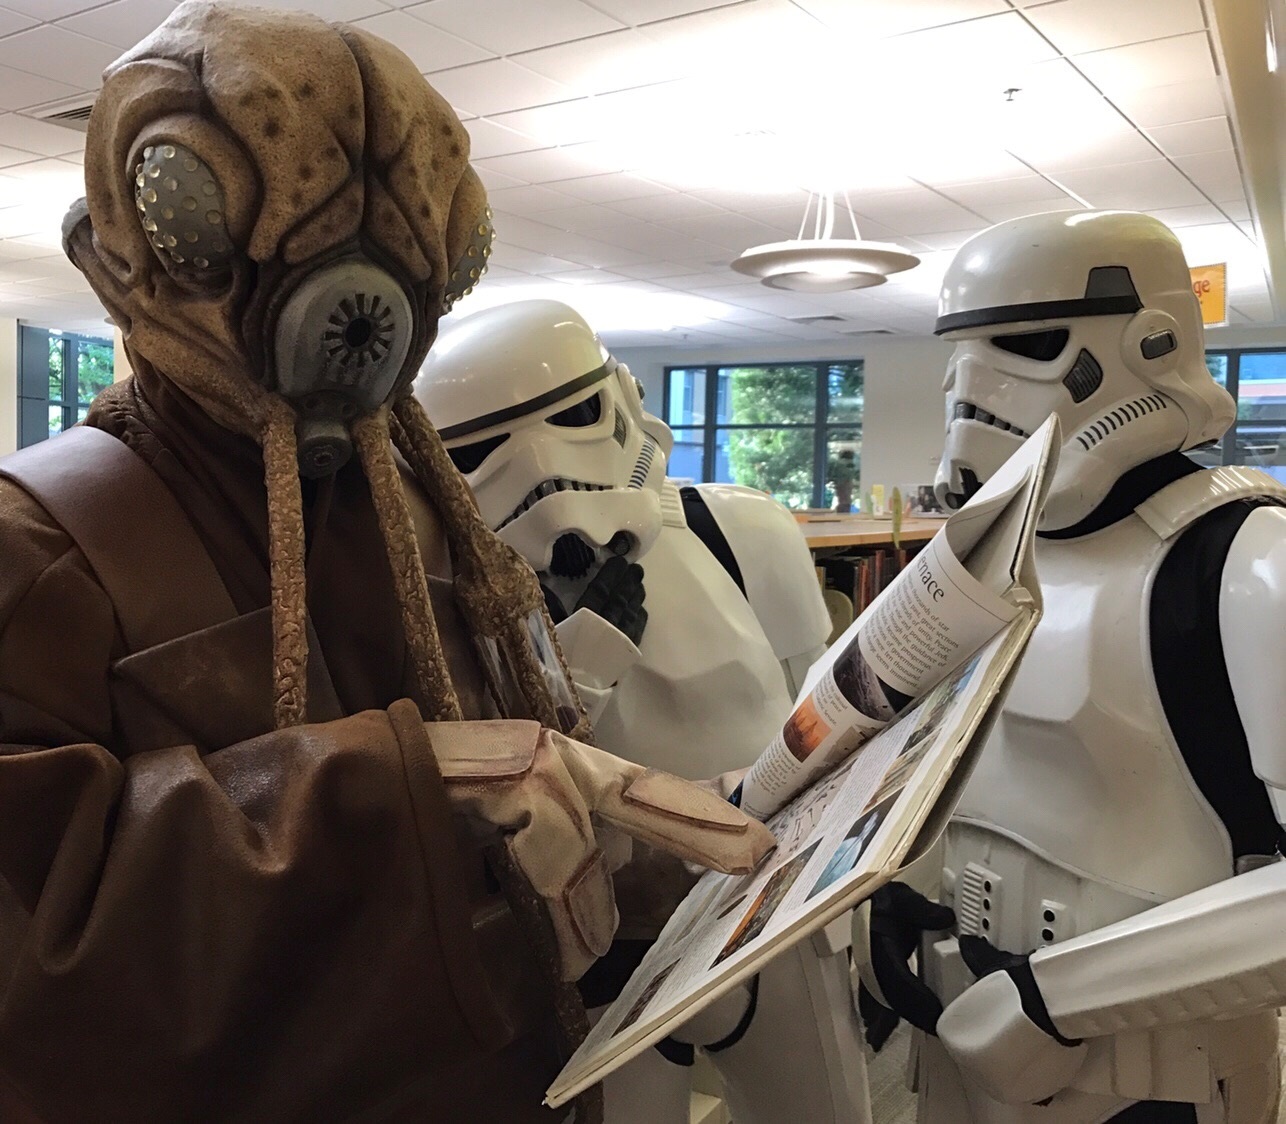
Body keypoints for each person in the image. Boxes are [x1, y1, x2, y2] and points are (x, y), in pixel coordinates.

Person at [0, 7, 774, 1121]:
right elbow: (34, 939)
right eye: (197, 211)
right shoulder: (41, 545)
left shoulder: (428, 514)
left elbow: (538, 783)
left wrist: (679, 841)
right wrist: (407, 781)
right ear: (104, 252)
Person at [856, 210, 1286, 1123]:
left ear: (1152, 342)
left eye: (1023, 346)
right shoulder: (978, 566)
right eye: (959, 357)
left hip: (1151, 1064)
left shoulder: (1251, 565)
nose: (974, 394)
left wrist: (1059, 1001)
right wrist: (889, 895)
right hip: (958, 1024)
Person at [415, 299, 871, 1124]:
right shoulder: (448, 603)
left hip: (771, 909)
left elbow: (830, 724)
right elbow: (507, 783)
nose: (545, 477)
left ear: (623, 400)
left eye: (572, 419)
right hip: (602, 949)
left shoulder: (739, 531)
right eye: (482, 453)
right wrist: (584, 658)